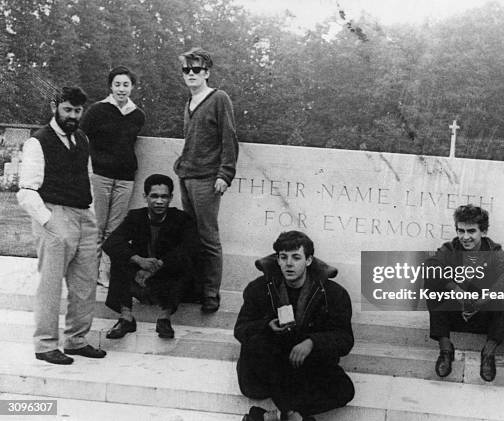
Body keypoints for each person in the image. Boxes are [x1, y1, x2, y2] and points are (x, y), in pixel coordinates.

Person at [17, 87, 106, 364]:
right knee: (51, 285)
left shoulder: (82, 139)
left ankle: (77, 340)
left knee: (84, 284)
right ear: (56, 107)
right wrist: (49, 221)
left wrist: (90, 215)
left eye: (77, 111)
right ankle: (45, 345)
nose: (72, 115)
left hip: (84, 217)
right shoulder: (38, 141)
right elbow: (26, 190)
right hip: (55, 215)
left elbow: (87, 178)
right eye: (67, 109)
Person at [234, 231, 355, 421]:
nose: (289, 264)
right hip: (268, 366)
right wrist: (267, 326)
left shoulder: (333, 293)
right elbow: (241, 330)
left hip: (304, 365)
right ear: (278, 260)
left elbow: (345, 339)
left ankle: (265, 417)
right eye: (283, 257)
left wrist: (312, 342)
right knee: (262, 349)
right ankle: (293, 416)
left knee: (344, 390)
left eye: (296, 257)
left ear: (308, 260)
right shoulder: (259, 288)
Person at [174, 47, 238, 313]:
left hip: (207, 178)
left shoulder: (219, 98)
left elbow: (229, 138)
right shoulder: (187, 104)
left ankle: (211, 292)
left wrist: (225, 174)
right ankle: (195, 287)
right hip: (186, 175)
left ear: (207, 73)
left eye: (196, 69)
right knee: (191, 236)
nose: (191, 74)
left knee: (209, 237)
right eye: (186, 70)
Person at [424, 204, 504, 381]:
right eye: (461, 231)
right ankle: (445, 350)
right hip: (455, 314)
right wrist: (457, 292)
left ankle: (488, 353)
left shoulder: (493, 251)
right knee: (431, 280)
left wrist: (484, 299)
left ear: (483, 232)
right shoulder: (450, 248)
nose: (465, 237)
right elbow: (431, 266)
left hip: (482, 316)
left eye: (471, 231)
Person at [102, 174, 198, 339]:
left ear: (171, 198)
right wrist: (138, 260)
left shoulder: (181, 219)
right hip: (139, 275)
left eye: (164, 196)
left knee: (185, 259)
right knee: (121, 255)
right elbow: (111, 242)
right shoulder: (136, 216)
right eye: (154, 196)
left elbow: (191, 247)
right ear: (145, 197)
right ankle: (126, 317)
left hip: (166, 278)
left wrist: (158, 265)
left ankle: (164, 318)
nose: (159, 201)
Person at [80, 66, 146, 287]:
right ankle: (90, 272)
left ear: (132, 87)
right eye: (117, 84)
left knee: (115, 229)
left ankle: (105, 273)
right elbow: (80, 138)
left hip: (125, 178)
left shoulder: (138, 114)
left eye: (126, 85)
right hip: (100, 176)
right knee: (97, 226)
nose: (121, 89)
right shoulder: (97, 110)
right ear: (110, 86)